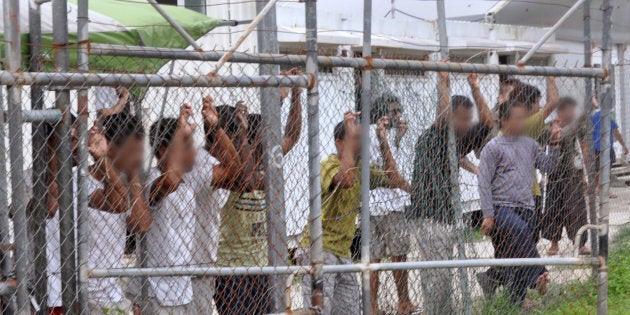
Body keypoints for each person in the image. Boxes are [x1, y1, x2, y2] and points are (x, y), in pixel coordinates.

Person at [299, 111, 409, 315]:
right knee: (318, 311)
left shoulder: (362, 167)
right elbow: (345, 179)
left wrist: (383, 142)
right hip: (318, 249)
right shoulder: (327, 165)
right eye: (355, 139)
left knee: (350, 310)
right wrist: (350, 139)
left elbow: (393, 179)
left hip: (343, 252)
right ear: (341, 143)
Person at [215, 70, 303, 315]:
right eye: (264, 138)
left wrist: (295, 92)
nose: (270, 143)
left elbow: (292, 135)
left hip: (261, 265)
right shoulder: (232, 170)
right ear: (252, 139)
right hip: (232, 269)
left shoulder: (265, 164)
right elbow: (249, 180)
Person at [409, 72, 494, 314]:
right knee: (436, 276)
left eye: (469, 118)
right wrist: (443, 81)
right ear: (451, 116)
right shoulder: (437, 135)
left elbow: (488, 123)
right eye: (463, 118)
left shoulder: (456, 139)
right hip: (429, 214)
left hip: (446, 213)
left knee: (444, 274)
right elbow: (442, 115)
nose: (468, 123)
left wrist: (475, 86)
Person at [143, 101, 237, 314]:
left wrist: (216, 128)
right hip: (157, 291)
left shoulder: (192, 177)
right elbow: (170, 181)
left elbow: (233, 170)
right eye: (186, 144)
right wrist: (180, 133)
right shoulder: (151, 180)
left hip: (183, 287)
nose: (192, 150)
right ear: (164, 149)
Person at [477, 77, 559, 299]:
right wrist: (488, 215)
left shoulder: (530, 144)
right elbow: (483, 182)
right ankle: (539, 274)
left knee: (518, 253)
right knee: (521, 233)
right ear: (504, 120)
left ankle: (515, 302)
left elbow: (549, 166)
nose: (521, 122)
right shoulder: (493, 147)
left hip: (527, 207)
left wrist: (555, 144)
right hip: (503, 208)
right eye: (516, 119)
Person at [88, 113, 152, 314]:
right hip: (86, 293)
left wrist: (133, 175)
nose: (139, 158)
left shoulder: (130, 184)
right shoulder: (79, 180)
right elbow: (117, 203)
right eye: (133, 151)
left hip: (112, 292)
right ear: (112, 148)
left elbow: (141, 225)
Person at [367, 93, 417, 315]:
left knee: (374, 256)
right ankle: (403, 302)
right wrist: (412, 190)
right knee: (399, 255)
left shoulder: (381, 133)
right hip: (388, 203)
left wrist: (397, 139)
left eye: (399, 111)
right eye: (394, 111)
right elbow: (389, 171)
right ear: (383, 113)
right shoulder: (374, 133)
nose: (398, 115)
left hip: (373, 204)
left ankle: (373, 306)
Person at [539, 97, 590, 256]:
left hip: (571, 173)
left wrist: (585, 174)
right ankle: (554, 244)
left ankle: (580, 243)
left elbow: (583, 148)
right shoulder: (548, 127)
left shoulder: (577, 126)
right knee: (553, 210)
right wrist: (542, 174)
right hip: (554, 174)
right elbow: (540, 149)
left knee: (576, 209)